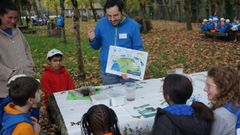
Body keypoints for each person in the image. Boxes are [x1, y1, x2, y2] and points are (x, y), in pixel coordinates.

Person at [88, 0, 144, 85]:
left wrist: (133, 69)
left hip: (127, 71)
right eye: (109, 16)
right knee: (111, 96)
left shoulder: (133, 26)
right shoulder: (101, 24)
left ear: (122, 12)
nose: (112, 19)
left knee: (128, 96)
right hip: (108, 71)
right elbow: (96, 46)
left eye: (115, 15)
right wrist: (92, 39)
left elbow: (138, 48)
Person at [0, 0, 34, 99]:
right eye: (10, 18)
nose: (13, 21)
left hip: (25, 82)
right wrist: (9, 74)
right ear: (1, 16)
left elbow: (27, 48)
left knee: (27, 112)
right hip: (6, 88)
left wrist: (30, 64)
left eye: (15, 18)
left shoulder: (17, 31)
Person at [204, 66, 240, 135]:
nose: (205, 89)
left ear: (222, 88)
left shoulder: (220, 115)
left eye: (209, 85)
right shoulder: (235, 100)